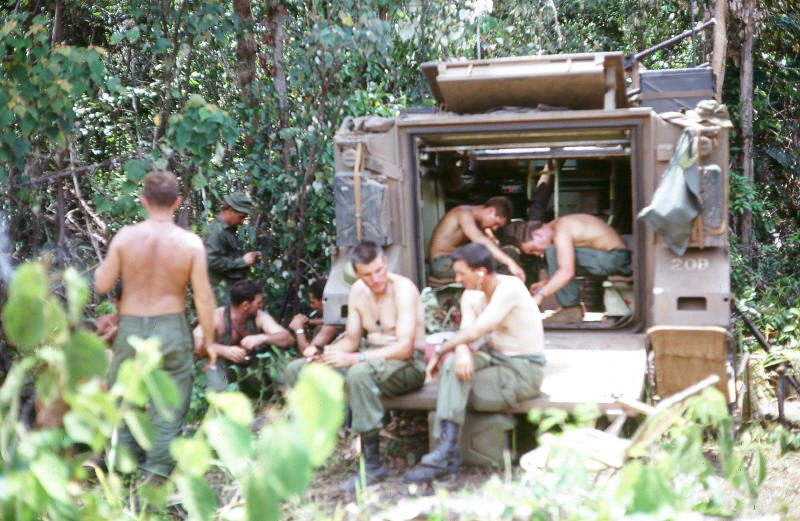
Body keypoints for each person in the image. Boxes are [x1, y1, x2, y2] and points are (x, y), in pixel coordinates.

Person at [94, 169, 216, 479]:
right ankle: (156, 480)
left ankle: (121, 477)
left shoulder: (125, 237)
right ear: (177, 202)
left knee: (125, 403)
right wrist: (210, 343)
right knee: (169, 409)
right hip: (171, 329)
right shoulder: (190, 243)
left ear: (143, 201)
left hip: (132, 329)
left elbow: (102, 284)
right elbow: (204, 298)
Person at [284, 241, 427, 491]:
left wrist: (355, 359)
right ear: (357, 274)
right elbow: (351, 340)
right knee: (298, 369)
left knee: (359, 373)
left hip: (406, 364)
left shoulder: (404, 290)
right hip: (371, 359)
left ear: (384, 263)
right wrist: (323, 353)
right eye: (367, 275)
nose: (375, 279)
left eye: (379, 271)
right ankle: (309, 448)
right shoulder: (359, 291)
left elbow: (405, 348)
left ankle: (372, 465)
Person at [404, 242, 545, 484]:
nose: (456, 279)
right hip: (494, 357)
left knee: (452, 384)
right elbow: (466, 332)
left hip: (523, 369)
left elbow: (477, 329)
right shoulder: (471, 294)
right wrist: (461, 350)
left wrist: (440, 351)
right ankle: (445, 451)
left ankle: (445, 455)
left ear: (480, 273)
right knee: (453, 369)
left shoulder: (510, 288)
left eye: (461, 273)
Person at [520, 213, 632, 323]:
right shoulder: (558, 226)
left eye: (533, 249)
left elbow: (567, 272)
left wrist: (541, 294)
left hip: (615, 258)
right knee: (557, 254)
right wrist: (546, 283)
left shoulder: (561, 228)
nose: (536, 254)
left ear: (537, 234)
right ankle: (571, 308)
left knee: (552, 251)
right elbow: (567, 265)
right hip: (610, 258)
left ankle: (571, 309)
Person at [193, 280, 293, 392]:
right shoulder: (216, 318)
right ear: (245, 305)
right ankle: (220, 401)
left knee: (278, 353)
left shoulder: (259, 317)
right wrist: (223, 350)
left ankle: (286, 393)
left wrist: (263, 338)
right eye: (258, 302)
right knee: (213, 366)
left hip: (252, 372)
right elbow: (195, 344)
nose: (261, 305)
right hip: (227, 374)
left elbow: (288, 339)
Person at [428, 196, 525, 281]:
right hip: (443, 263)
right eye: (496, 223)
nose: (495, 228)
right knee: (508, 258)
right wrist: (511, 263)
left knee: (510, 252)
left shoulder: (478, 224)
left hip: (456, 260)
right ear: (490, 210)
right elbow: (481, 241)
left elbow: (489, 245)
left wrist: (493, 240)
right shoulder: (464, 213)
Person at [203, 191, 261, 294]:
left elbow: (229, 255)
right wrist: (243, 261)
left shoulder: (229, 230)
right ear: (230, 211)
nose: (242, 221)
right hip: (220, 293)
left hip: (232, 290)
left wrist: (249, 258)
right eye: (241, 216)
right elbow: (212, 261)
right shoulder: (216, 231)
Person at [288, 278, 343, 355]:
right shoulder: (341, 310)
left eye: (313, 302)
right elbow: (327, 320)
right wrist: (310, 322)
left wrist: (298, 329)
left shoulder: (331, 323)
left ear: (324, 300)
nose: (311, 306)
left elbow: (309, 353)